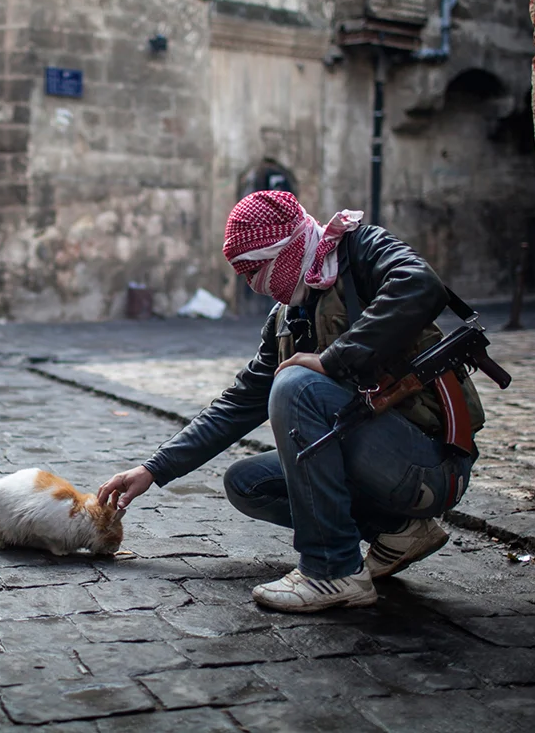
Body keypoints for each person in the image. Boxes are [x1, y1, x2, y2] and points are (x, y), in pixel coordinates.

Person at [98, 191, 485, 612]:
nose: (251, 284)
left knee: (295, 384)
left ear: (283, 249)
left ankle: (332, 570)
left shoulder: (363, 248)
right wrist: (153, 469)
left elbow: (421, 285)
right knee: (248, 483)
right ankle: (400, 529)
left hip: (431, 464)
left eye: (254, 269)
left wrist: (333, 360)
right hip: (375, 460)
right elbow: (238, 402)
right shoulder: (289, 316)